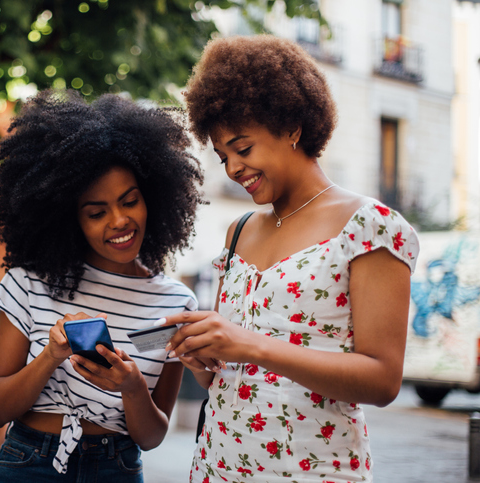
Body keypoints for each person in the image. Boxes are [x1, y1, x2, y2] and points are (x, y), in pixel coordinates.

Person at [161, 35, 420, 482]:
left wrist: (251, 346)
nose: (234, 169)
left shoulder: (369, 226)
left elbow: (382, 381)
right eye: (223, 157)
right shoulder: (239, 230)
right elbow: (230, 376)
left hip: (311, 471)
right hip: (216, 467)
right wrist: (203, 358)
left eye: (243, 149)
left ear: (292, 128)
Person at [0, 89, 203, 482]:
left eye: (130, 201)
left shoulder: (176, 303)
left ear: (152, 198)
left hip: (115, 467)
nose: (119, 221)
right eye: (97, 212)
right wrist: (51, 355)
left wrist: (133, 387)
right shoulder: (30, 283)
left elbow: (152, 437)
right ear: (71, 220)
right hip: (29, 463)